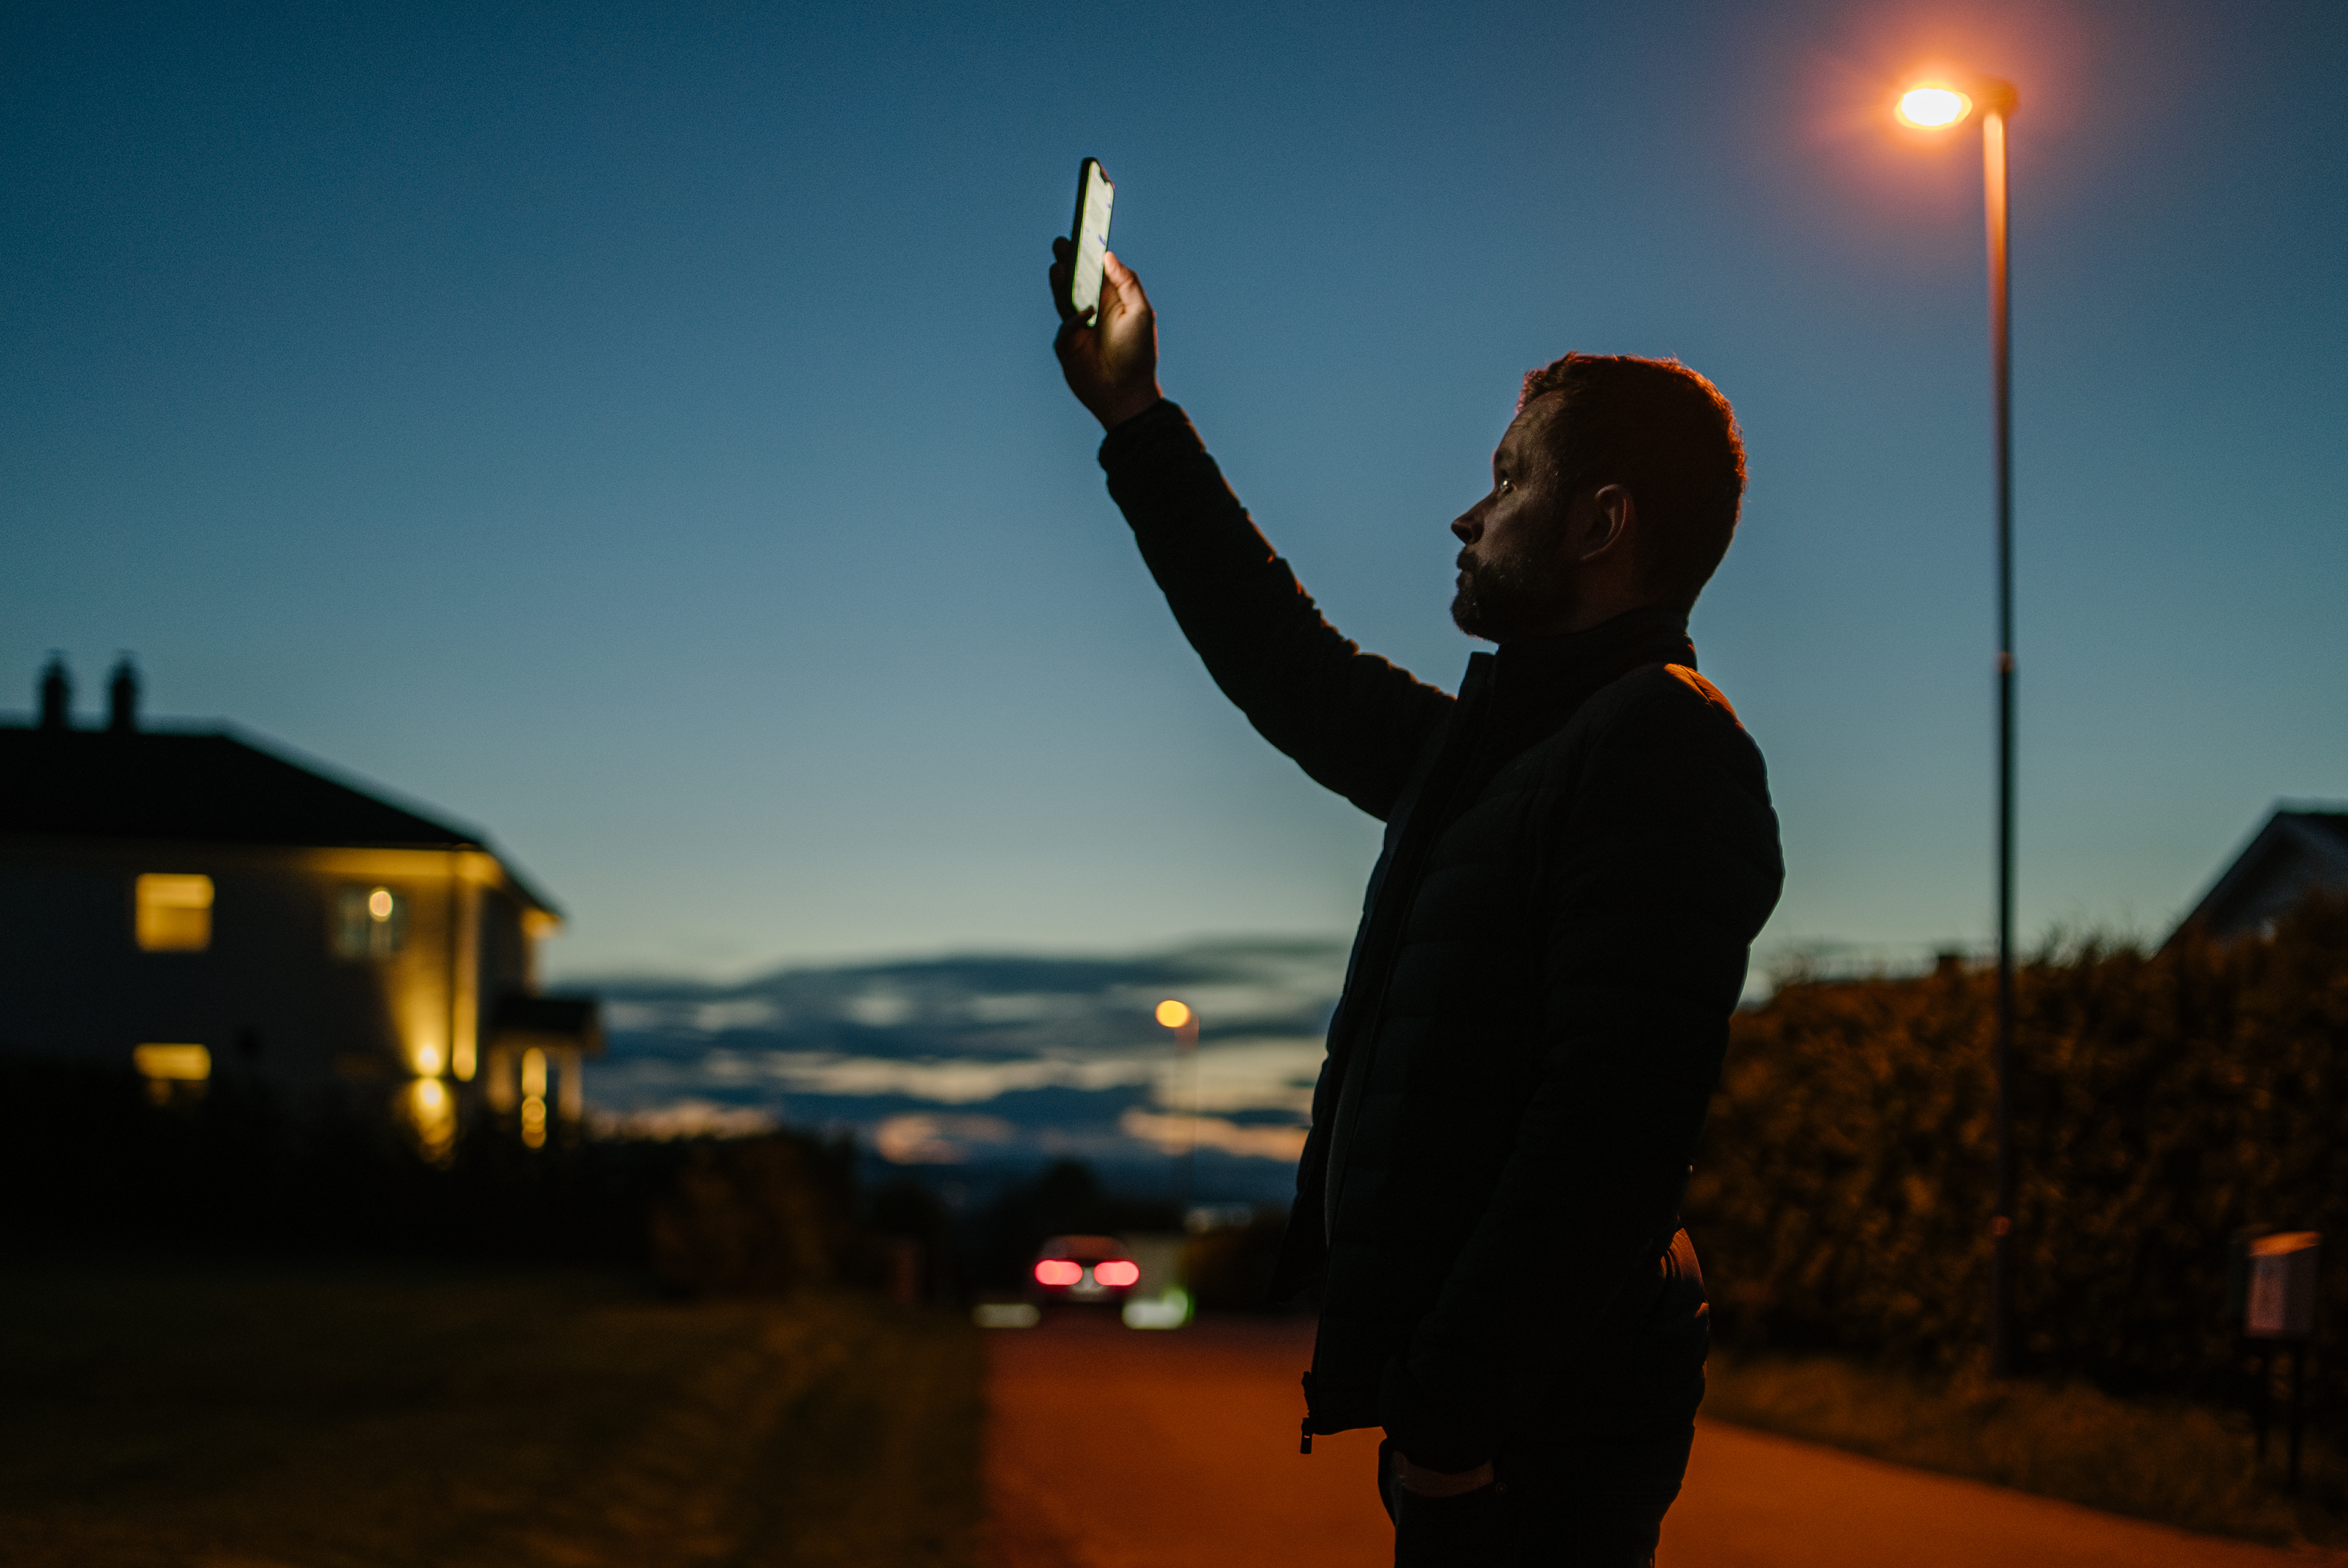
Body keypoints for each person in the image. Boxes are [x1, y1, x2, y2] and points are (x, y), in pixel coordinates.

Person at [1048, 238, 1785, 1567]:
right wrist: (1135, 418)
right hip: (1496, 1424)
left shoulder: (1660, 751)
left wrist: (1451, 1423)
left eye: (1508, 481)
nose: (1467, 515)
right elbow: (1289, 665)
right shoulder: (1508, 755)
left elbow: (1609, 1133)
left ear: (1601, 524)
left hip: (1532, 1440)